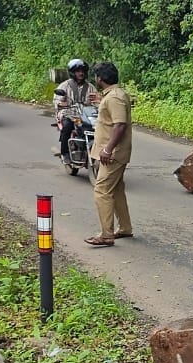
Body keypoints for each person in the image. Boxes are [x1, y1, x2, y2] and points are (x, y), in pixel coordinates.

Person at [84, 62, 133, 247]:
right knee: (117, 189)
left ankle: (106, 235)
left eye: (96, 76)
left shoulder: (114, 98)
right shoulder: (114, 95)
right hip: (115, 152)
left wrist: (107, 149)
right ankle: (125, 228)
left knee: (102, 190)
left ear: (100, 78)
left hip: (113, 154)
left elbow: (119, 125)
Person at [54, 59, 98, 165]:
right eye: (78, 71)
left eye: (82, 71)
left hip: (85, 114)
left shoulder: (90, 87)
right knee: (67, 127)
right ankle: (65, 153)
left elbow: (97, 101)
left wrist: (98, 103)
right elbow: (57, 100)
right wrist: (62, 102)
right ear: (72, 72)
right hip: (69, 112)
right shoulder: (65, 85)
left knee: (97, 127)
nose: (81, 73)